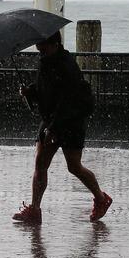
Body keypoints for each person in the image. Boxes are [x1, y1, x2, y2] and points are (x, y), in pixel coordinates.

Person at [12, 31, 112, 224]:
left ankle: (101, 199)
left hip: (71, 121)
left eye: (43, 45)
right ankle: (35, 210)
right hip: (51, 120)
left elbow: (68, 100)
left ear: (55, 44)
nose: (39, 49)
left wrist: (54, 128)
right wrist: (30, 91)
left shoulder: (66, 65)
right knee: (40, 164)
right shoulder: (45, 61)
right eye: (38, 45)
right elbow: (47, 90)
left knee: (74, 167)